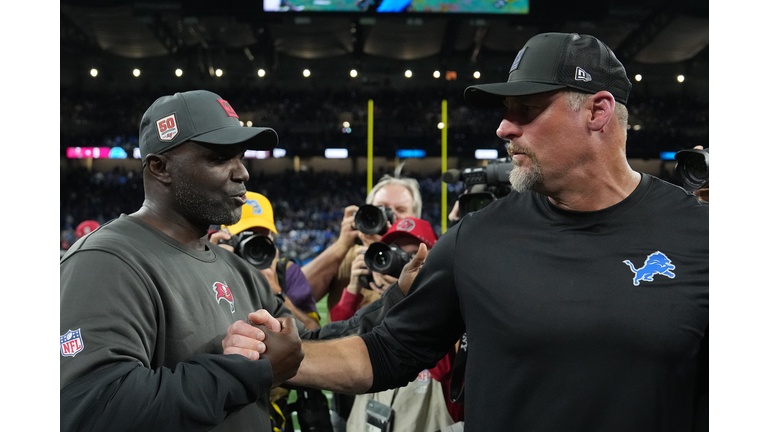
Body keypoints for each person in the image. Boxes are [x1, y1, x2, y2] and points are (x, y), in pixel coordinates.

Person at [230, 32, 709, 432]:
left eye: (526, 109)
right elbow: (388, 352)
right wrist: (285, 359)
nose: (503, 128)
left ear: (598, 112)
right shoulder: (476, 238)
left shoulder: (703, 236)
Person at [60, 89, 306, 432]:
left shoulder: (235, 267)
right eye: (220, 158)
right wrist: (249, 372)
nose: (242, 173)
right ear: (160, 168)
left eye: (241, 157)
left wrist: (396, 306)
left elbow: (306, 345)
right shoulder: (104, 261)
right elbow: (91, 409)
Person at [298, 174, 424, 430]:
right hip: (348, 394)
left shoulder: (422, 260)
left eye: (399, 210)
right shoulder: (348, 256)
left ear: (416, 217)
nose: (390, 218)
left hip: (407, 394)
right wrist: (342, 244)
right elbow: (297, 293)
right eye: (382, 210)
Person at [211, 191, 322, 330]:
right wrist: (211, 269)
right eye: (245, 234)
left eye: (262, 234)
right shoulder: (213, 266)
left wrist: (276, 292)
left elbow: (313, 331)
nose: (255, 243)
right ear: (225, 237)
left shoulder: (286, 272)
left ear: (272, 237)